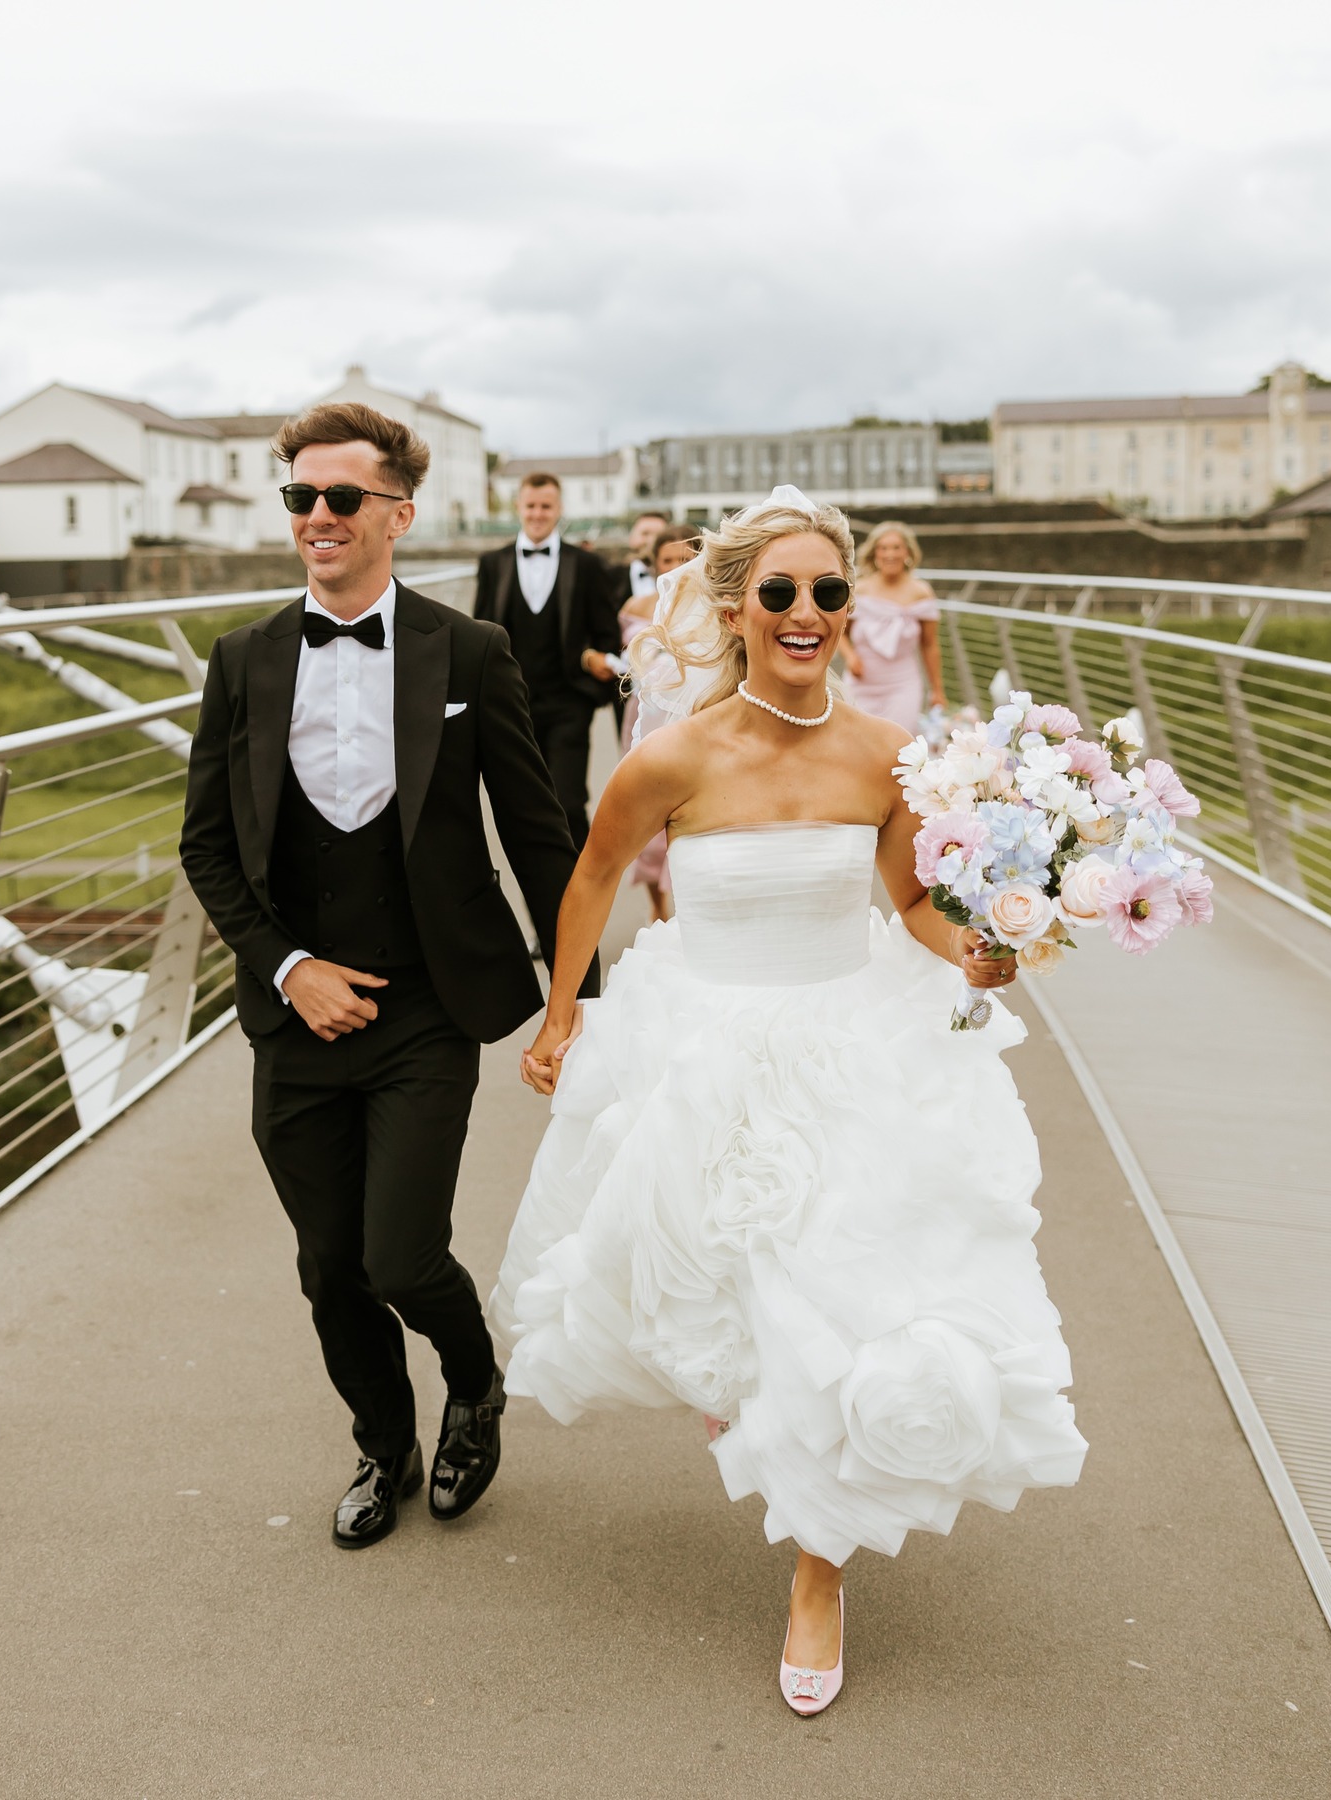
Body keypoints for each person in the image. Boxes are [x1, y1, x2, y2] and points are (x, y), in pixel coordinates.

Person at [490, 488, 1086, 1716]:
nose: (807, 612)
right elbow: (594, 876)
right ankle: (751, 1407)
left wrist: (974, 948)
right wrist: (562, 1015)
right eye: (781, 594)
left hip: (852, 1043)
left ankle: (820, 1573)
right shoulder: (672, 757)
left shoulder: (883, 755)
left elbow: (912, 904)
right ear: (735, 608)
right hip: (701, 1045)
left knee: (852, 1306)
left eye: (828, 592)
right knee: (731, 1298)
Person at [180, 402, 596, 1552]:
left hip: (425, 1005)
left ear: (398, 514)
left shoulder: (471, 652)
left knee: (398, 1253)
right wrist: (288, 966)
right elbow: (206, 845)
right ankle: (383, 1444)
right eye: (300, 498)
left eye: (340, 498)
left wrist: (580, 1002)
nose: (316, 516)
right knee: (329, 1270)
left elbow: (541, 832)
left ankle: (474, 1384)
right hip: (292, 1015)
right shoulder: (244, 660)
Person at [474, 473, 621, 850]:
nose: (538, 513)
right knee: (523, 808)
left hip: (569, 702)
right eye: (531, 505)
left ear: (559, 510)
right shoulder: (493, 563)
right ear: (519, 508)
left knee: (569, 804)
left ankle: (585, 890)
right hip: (513, 707)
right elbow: (479, 634)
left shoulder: (587, 566)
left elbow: (607, 633)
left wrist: (591, 685)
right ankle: (545, 901)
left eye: (546, 506)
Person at [618, 522, 700, 922]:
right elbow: (621, 660)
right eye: (668, 560)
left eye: (685, 559)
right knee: (648, 820)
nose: (675, 566)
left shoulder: (716, 607)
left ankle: (693, 906)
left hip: (697, 716)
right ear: (654, 565)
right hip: (644, 717)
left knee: (694, 814)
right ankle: (656, 904)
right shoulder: (634, 609)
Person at [841, 520, 946, 732]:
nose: (890, 554)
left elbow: (929, 645)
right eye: (883, 548)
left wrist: (937, 690)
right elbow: (838, 634)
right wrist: (851, 657)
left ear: (907, 552)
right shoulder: (859, 590)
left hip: (903, 686)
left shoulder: (921, 592)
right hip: (860, 685)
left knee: (900, 747)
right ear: (875, 553)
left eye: (896, 547)